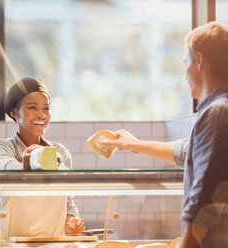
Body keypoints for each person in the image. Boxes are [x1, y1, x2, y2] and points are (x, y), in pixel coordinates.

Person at [103, 22, 228, 247]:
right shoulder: (219, 110)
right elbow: (185, 150)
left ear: (199, 60)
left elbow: (205, 196)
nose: (184, 74)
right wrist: (135, 144)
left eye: (185, 62)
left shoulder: (218, 112)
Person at [0, 77, 85, 237]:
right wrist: (24, 165)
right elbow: (4, 167)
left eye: (46, 108)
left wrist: (71, 220)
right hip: (12, 244)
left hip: (52, 243)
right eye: (33, 107)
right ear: (14, 112)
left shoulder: (61, 153)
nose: (42, 115)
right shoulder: (1, 147)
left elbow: (68, 202)